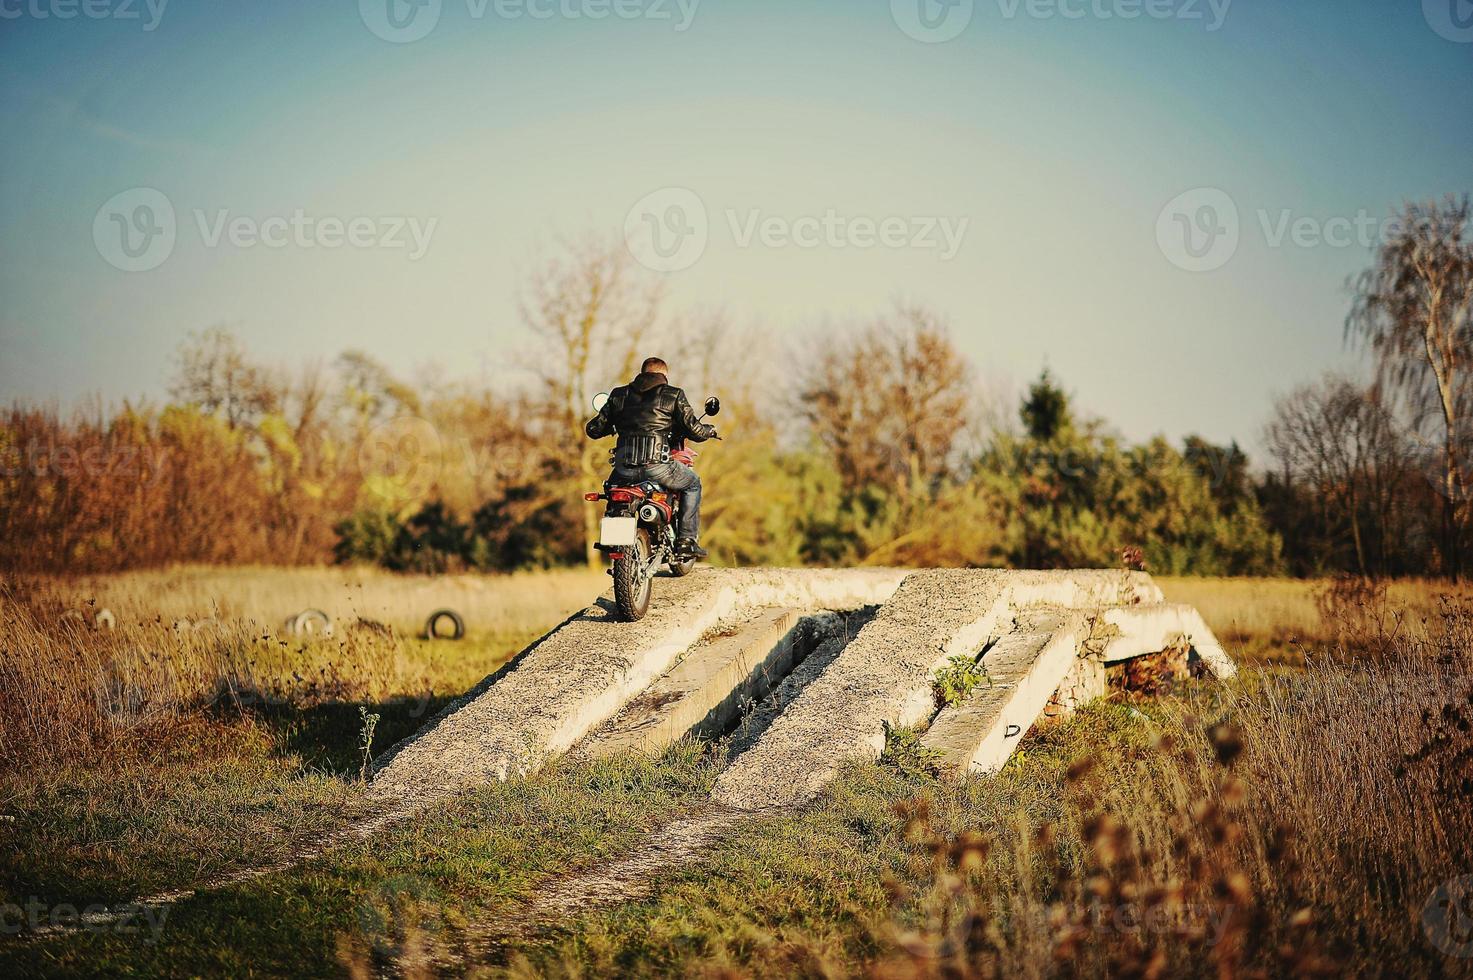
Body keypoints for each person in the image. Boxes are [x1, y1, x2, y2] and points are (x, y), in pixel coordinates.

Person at [585, 356, 718, 559]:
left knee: (612, 493)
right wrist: (709, 430)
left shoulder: (618, 395)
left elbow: (594, 429)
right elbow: (695, 430)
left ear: (642, 372)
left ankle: (613, 534)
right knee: (693, 484)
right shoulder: (673, 395)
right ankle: (686, 541)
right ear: (664, 375)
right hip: (657, 465)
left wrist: (614, 425)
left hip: (623, 469)